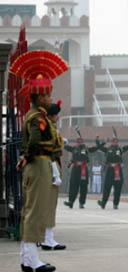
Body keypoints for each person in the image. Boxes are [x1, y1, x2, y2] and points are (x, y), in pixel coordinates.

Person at [11, 50, 68, 272]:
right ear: (40, 97)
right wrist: (27, 155)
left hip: (40, 164)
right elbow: (34, 141)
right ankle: (33, 261)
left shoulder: (38, 116)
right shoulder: (37, 118)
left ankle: (27, 258)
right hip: (39, 164)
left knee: (31, 211)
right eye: (48, 96)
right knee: (34, 212)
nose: (50, 99)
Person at [40, 100, 66, 251]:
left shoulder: (50, 127)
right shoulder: (48, 128)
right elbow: (53, 148)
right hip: (50, 168)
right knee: (49, 205)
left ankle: (48, 238)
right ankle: (47, 239)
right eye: (57, 115)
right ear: (52, 116)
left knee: (50, 205)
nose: (58, 118)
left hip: (51, 167)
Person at [97, 133, 128, 209]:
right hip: (109, 170)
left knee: (118, 188)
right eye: (113, 141)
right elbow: (99, 147)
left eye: (116, 141)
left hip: (118, 170)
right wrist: (98, 140)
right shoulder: (108, 149)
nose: (115, 142)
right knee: (107, 187)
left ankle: (115, 204)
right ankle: (103, 203)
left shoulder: (120, 149)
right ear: (112, 142)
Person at [63, 135, 98, 209]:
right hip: (75, 168)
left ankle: (81, 203)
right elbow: (66, 147)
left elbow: (94, 149)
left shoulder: (86, 149)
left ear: (83, 142)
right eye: (78, 141)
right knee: (73, 185)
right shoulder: (74, 149)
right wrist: (63, 142)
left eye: (81, 141)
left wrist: (98, 142)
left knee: (83, 186)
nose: (79, 142)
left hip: (83, 169)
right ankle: (71, 202)